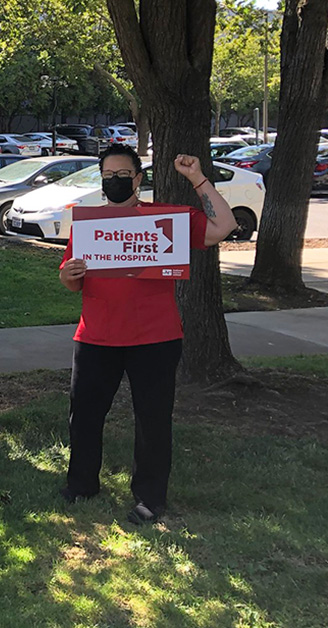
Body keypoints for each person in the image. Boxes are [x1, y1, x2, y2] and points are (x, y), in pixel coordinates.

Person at [58, 144, 237, 525]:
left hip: (155, 339)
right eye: (108, 176)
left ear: (138, 179)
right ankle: (81, 485)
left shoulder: (165, 219)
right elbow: (71, 281)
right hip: (96, 337)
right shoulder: (88, 224)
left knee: (153, 420)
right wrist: (68, 275)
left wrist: (198, 179)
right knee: (85, 416)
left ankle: (150, 497)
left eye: (123, 176)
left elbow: (223, 226)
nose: (115, 182)